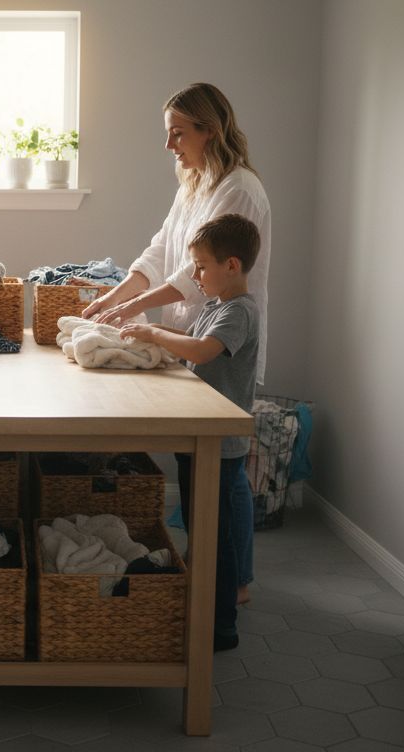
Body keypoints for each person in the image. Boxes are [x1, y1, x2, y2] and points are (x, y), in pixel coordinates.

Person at [83, 82, 270, 604]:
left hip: (217, 343)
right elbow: (161, 249)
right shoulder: (194, 181)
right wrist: (112, 298)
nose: (170, 146)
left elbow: (195, 272)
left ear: (209, 130)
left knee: (222, 468)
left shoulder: (238, 190)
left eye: (178, 134)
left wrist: (137, 314)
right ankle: (213, 568)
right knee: (198, 465)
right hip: (192, 337)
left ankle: (235, 583)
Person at [120, 213, 262, 651]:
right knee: (203, 530)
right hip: (202, 436)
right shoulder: (219, 307)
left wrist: (154, 334)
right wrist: (157, 328)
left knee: (214, 538)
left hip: (219, 443)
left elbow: (201, 350)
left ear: (232, 265)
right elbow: (190, 335)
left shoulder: (240, 311)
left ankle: (220, 627)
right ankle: (205, 606)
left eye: (201, 265)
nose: (195, 274)